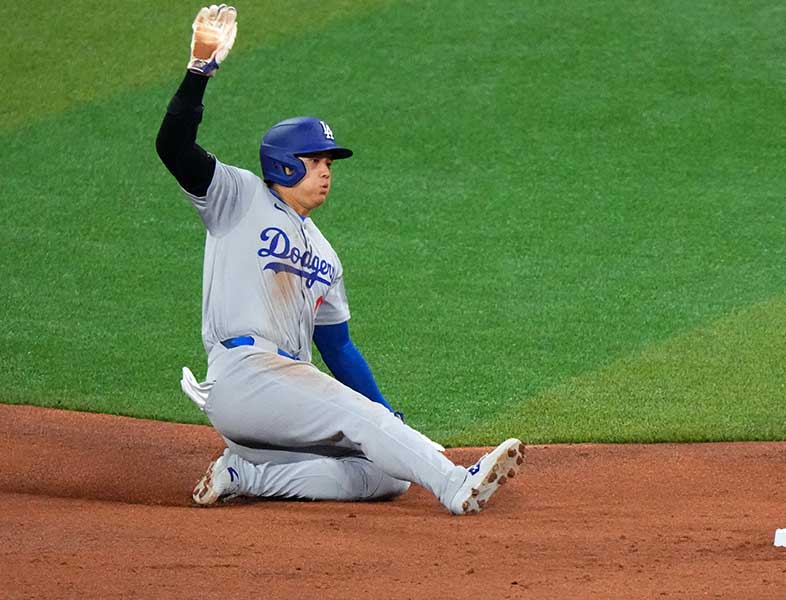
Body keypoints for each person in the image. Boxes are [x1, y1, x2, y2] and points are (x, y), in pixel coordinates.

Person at [155, 4, 524, 515]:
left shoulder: (325, 254)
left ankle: (248, 475)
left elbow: (341, 349)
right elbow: (173, 146)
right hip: (244, 376)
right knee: (359, 417)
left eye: (329, 162)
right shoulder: (237, 196)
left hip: (284, 404)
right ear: (284, 164)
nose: (327, 171)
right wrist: (200, 69)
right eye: (316, 161)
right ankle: (458, 482)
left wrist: (391, 420)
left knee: (386, 474)